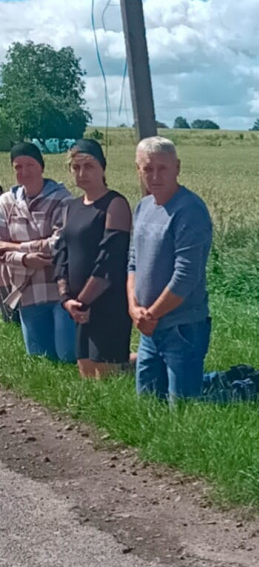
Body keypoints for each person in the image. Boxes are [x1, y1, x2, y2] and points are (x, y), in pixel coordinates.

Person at [127, 136, 213, 403]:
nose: (155, 176)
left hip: (181, 327)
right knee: (148, 405)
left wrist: (150, 315)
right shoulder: (143, 207)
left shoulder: (189, 210)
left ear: (177, 167)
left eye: (162, 168)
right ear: (138, 170)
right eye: (147, 168)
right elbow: (132, 262)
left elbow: (186, 275)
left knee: (183, 409)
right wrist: (133, 308)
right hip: (148, 329)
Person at [54, 139, 132, 378]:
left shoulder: (115, 204)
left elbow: (109, 260)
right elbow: (61, 254)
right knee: (86, 373)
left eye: (89, 166)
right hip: (79, 307)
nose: (82, 173)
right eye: (76, 168)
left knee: (107, 375)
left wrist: (83, 302)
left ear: (103, 168)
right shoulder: (70, 207)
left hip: (107, 304)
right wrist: (66, 298)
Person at [0, 142, 74, 360]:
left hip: (61, 286)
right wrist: (25, 259)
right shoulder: (6, 202)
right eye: (18, 167)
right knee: (40, 359)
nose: (24, 172)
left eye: (30, 164)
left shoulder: (62, 198)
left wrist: (14, 249)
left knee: (68, 355)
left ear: (41, 166)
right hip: (27, 289)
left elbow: (59, 244)